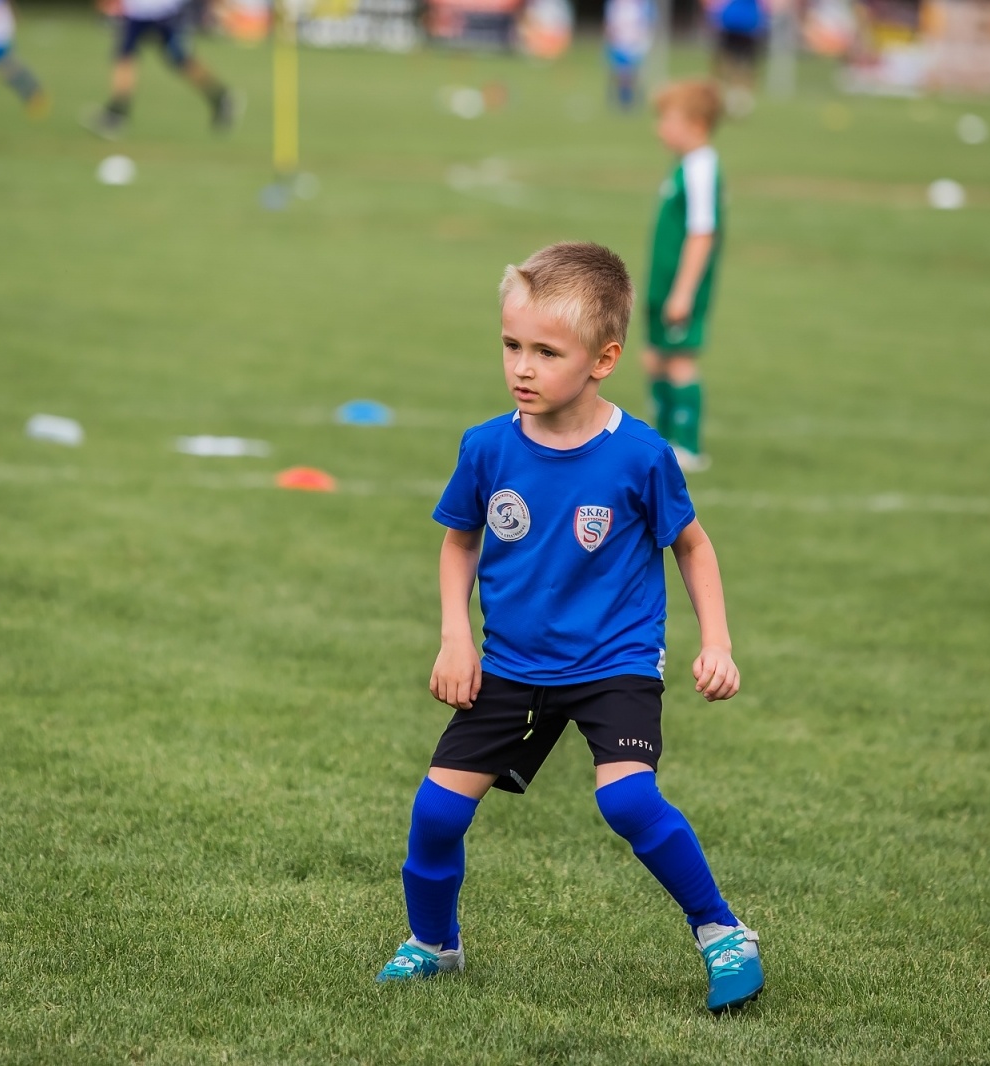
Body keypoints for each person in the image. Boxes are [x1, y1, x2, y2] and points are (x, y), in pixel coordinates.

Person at [374, 242, 764, 1015]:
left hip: (613, 659)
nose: (522, 367)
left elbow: (691, 543)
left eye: (546, 352)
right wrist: (456, 636)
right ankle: (433, 945)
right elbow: (460, 539)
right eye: (512, 345)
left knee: (626, 801)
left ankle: (723, 932)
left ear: (603, 358)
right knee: (438, 811)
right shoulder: (488, 446)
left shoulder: (640, 456)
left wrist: (715, 641)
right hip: (512, 660)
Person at [643, 79, 724, 474]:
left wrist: (683, 292)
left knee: (679, 361)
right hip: (663, 285)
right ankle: (659, 443)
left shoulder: (702, 167)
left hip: (681, 289)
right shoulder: (684, 165)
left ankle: (686, 447)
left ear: (695, 124)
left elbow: (702, 233)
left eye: (667, 119)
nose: (660, 128)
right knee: (654, 358)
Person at [82, 0, 237, 140]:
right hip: (139, 11)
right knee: (125, 57)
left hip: (162, 12)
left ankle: (220, 97)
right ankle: (117, 113)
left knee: (180, 61)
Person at [604, 0, 654, 112]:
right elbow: (610, 23)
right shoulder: (615, 4)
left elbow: (647, 23)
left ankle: (633, 98)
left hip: (636, 44)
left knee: (633, 73)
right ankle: (624, 100)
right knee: (622, 72)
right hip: (620, 43)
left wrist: (642, 39)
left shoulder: (642, 5)